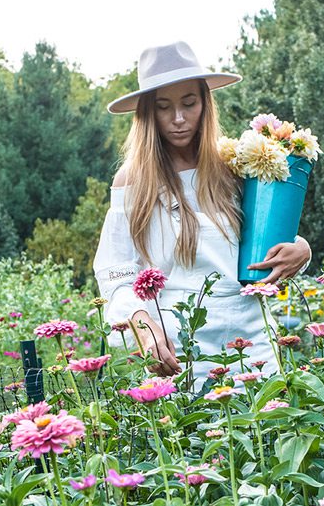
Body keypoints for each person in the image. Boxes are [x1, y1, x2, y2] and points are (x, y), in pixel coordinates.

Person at [93, 41, 311, 388]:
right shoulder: (133, 180)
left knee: (262, 432)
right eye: (164, 107)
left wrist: (301, 248)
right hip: (180, 349)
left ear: (205, 104)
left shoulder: (235, 165)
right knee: (191, 441)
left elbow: (263, 237)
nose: (178, 119)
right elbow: (117, 272)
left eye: (189, 103)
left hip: (252, 340)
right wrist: (145, 332)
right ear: (148, 114)